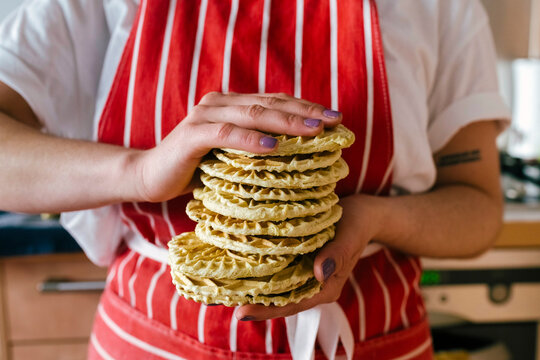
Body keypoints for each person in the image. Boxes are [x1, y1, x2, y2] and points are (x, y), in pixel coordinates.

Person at [0, 0, 510, 358]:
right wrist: (139, 171)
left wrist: (371, 218)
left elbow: (479, 208)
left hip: (375, 340)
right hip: (153, 343)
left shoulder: (439, 7)